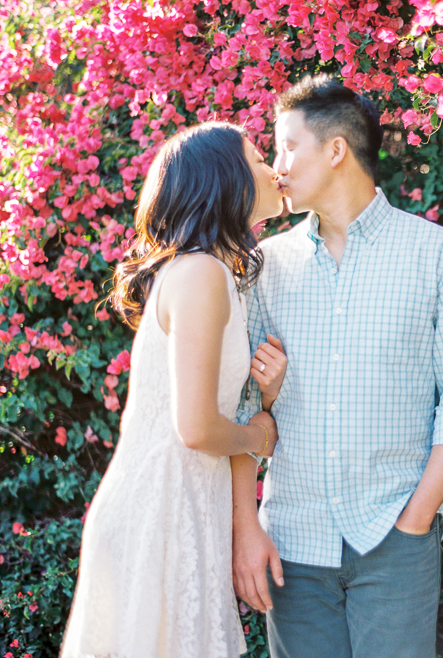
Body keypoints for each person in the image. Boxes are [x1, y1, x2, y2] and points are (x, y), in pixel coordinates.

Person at [230, 74, 443, 658]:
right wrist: (247, 530)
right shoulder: (263, 267)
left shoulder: (438, 256)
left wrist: (415, 521)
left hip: (395, 540)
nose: (277, 167)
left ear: (335, 150)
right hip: (291, 546)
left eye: (287, 147)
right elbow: (242, 412)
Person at [61, 122, 287, 658]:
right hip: (159, 510)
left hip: (185, 504)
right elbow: (196, 428)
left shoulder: (213, 272)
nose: (274, 169)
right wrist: (258, 433)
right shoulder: (201, 273)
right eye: (259, 159)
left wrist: (266, 401)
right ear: (226, 179)